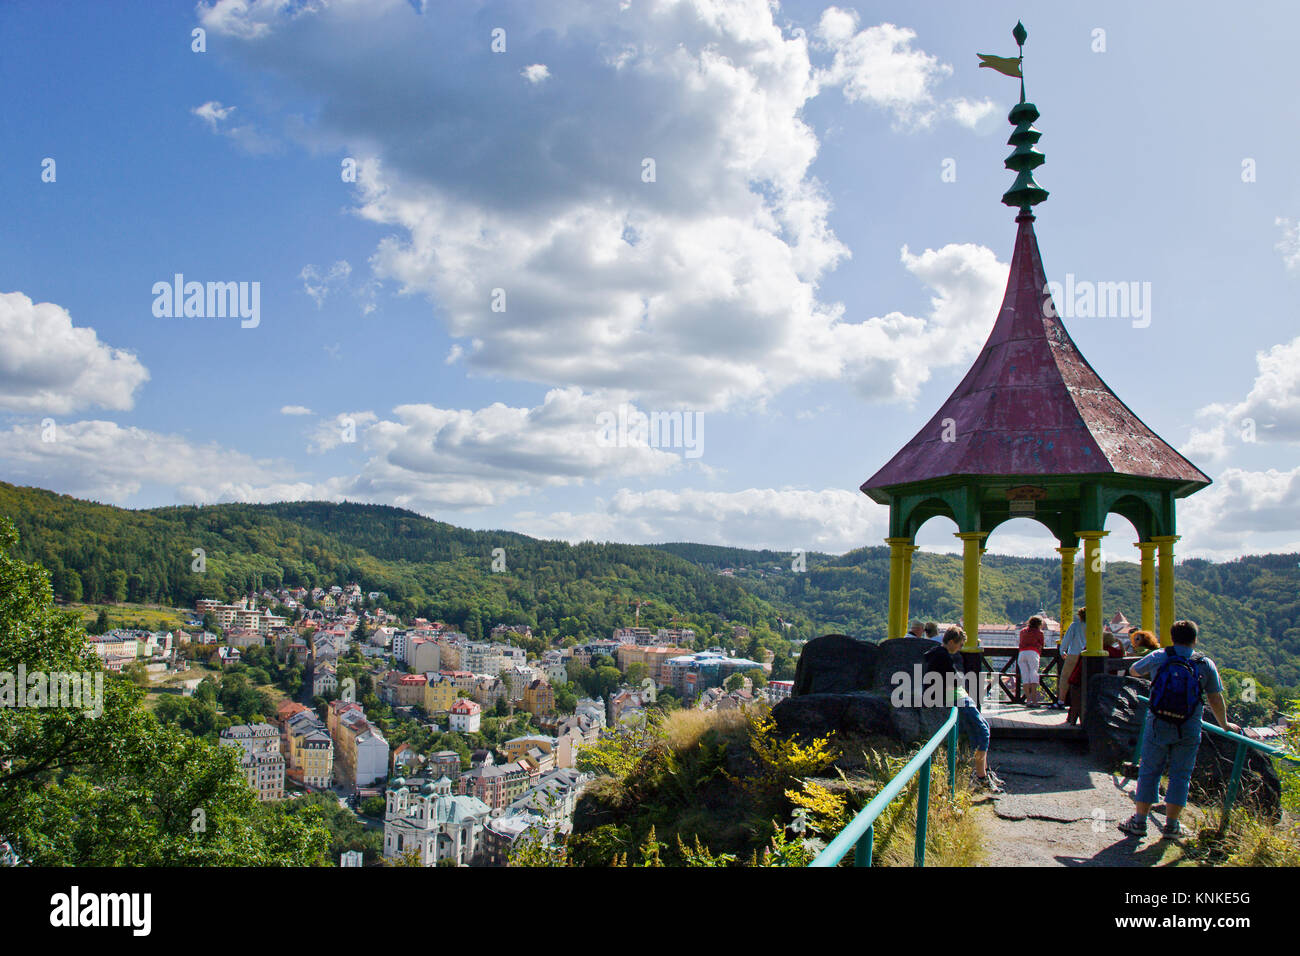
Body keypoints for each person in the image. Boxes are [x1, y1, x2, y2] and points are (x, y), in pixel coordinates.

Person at [1118, 620, 1240, 839]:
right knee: (1181, 774)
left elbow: (1134, 671)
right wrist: (1224, 724)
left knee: (1149, 770)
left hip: (1158, 722)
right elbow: (1215, 697)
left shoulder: (1161, 656)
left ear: (1172, 637)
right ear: (1195, 639)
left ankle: (1139, 822)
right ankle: (1172, 826)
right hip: (1189, 726)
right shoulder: (1205, 663)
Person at [924, 627, 1003, 794]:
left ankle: (984, 773)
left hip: (957, 696)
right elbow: (951, 681)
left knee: (983, 729)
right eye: (960, 645)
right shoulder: (942, 657)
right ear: (952, 642)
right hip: (956, 698)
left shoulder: (936, 654)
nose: (960, 648)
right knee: (982, 732)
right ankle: (980, 777)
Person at [1055, 607, 1086, 713]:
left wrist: (1062, 651)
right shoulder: (1094, 626)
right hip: (1088, 655)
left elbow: (1067, 639)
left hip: (1073, 654)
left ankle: (1061, 701)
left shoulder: (1075, 626)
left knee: (1065, 677)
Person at [1017, 615, 1046, 705]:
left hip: (1022, 654)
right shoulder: (1039, 633)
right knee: (1033, 676)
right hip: (1033, 653)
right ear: (1039, 624)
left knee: (1025, 677)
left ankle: (1028, 700)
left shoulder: (1022, 631)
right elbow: (1042, 645)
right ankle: (1034, 701)